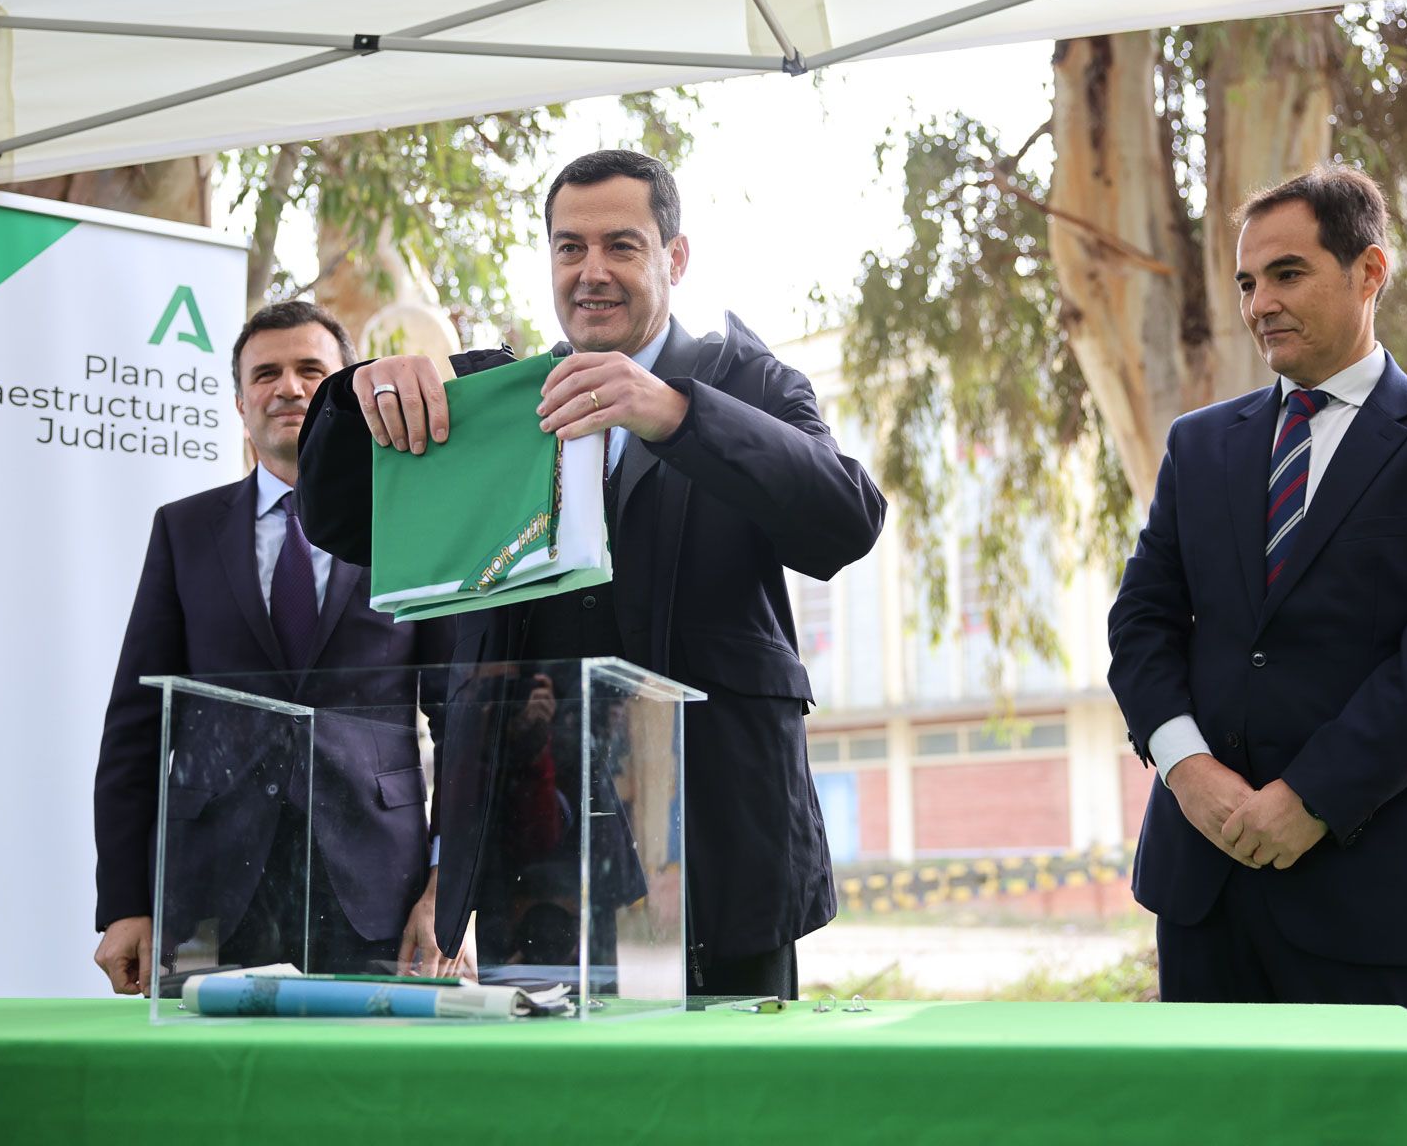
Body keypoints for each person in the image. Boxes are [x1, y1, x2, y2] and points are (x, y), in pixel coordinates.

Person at [297, 150, 887, 999]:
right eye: (570, 248)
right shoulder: (498, 404)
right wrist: (358, 402)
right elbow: (347, 523)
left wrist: (676, 415)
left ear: (674, 258)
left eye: (621, 245)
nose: (592, 272)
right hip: (531, 860)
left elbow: (845, 520)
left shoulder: (747, 382)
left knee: (725, 1119)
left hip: (714, 856)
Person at [1106, 165, 1407, 1032]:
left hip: (1376, 887)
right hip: (1205, 883)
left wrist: (1308, 799)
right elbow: (1143, 622)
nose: (1259, 301)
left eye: (1287, 273)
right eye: (1246, 281)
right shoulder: (1199, 447)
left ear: (1369, 272)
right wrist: (1188, 771)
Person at [92, 300, 459, 995]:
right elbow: (136, 730)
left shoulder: (410, 525)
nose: (288, 387)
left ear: (345, 390)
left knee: (370, 1097)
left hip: (378, 892)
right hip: (209, 899)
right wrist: (126, 902)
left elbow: (460, 719)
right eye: (266, 374)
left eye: (310, 370)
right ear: (239, 402)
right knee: (205, 1098)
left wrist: (450, 888)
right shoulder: (184, 531)